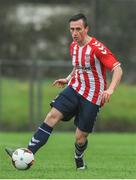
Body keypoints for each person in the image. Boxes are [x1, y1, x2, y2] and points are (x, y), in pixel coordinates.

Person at [5, 13, 123, 170]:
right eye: (72, 29)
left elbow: (118, 69)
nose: (75, 33)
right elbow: (78, 66)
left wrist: (110, 89)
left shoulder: (97, 48)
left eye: (78, 29)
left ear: (86, 29)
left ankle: (79, 156)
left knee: (80, 138)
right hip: (74, 88)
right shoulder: (73, 46)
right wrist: (68, 79)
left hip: (93, 97)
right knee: (52, 116)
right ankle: (28, 153)